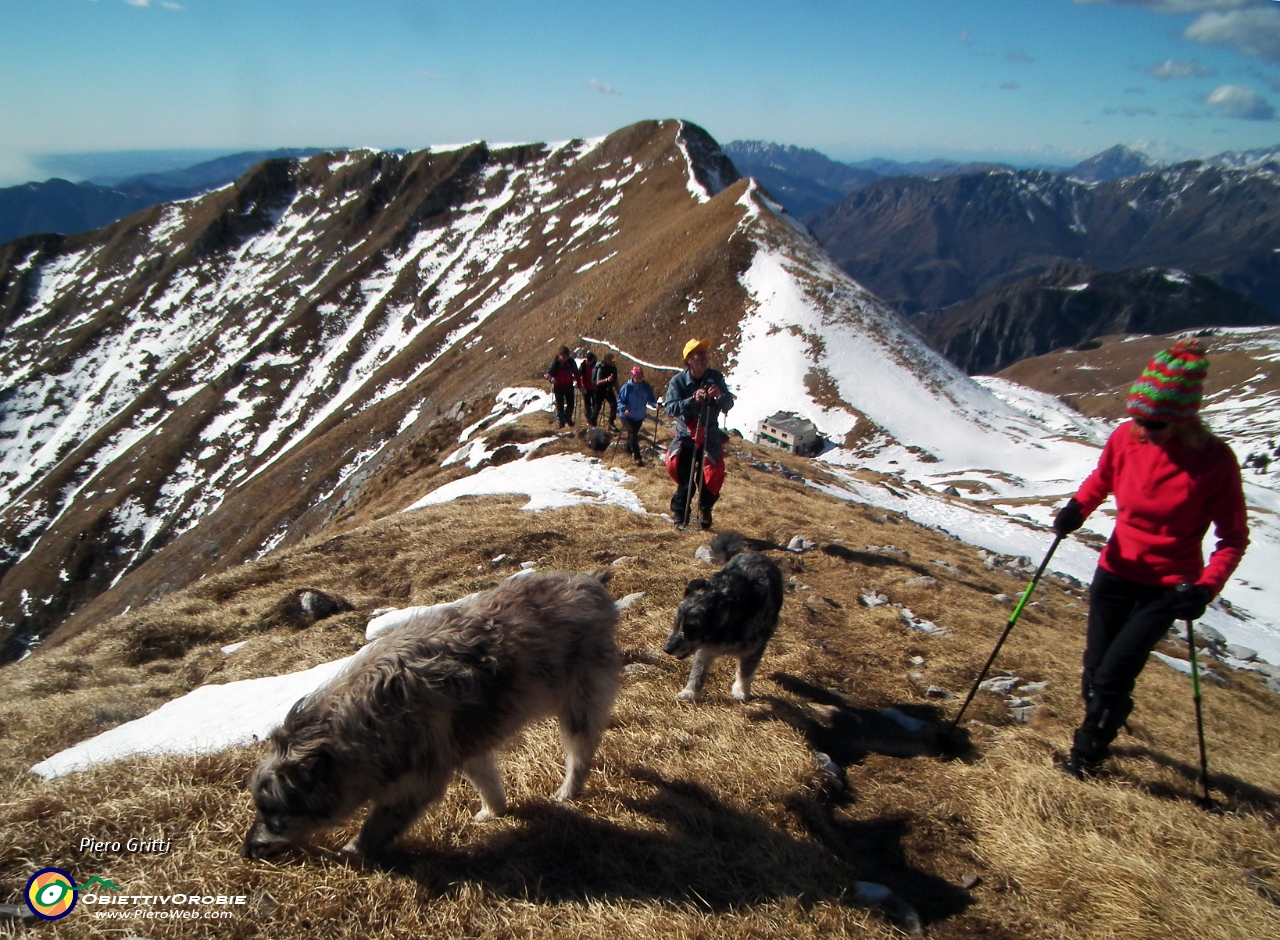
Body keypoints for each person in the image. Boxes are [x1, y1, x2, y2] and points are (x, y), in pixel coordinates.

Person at [1052, 339, 1248, 780]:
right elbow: (1102, 479)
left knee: (1111, 676)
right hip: (1115, 572)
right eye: (1137, 417)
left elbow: (1232, 537)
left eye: (1155, 424)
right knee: (1094, 672)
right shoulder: (1126, 437)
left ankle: (1086, 756)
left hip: (1165, 588)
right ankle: (1106, 715)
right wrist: (1076, 509)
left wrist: (1205, 587)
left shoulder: (1214, 462)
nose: (1143, 430)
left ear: (1184, 419)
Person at [665, 339, 735, 529]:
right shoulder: (678, 382)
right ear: (688, 360)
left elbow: (729, 403)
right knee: (686, 480)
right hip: (686, 436)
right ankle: (680, 514)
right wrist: (691, 400)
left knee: (709, 478)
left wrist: (720, 396)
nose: (704, 357)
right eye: (699, 354)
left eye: (704, 353)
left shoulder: (715, 377)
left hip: (709, 435)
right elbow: (669, 409)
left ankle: (705, 510)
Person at [617, 366, 658, 465]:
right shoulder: (626, 388)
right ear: (633, 377)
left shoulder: (646, 387)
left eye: (641, 378)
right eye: (637, 378)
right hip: (626, 415)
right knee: (632, 434)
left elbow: (651, 399)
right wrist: (624, 408)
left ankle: (627, 452)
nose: (639, 380)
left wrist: (656, 405)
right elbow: (620, 401)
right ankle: (637, 458)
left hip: (639, 416)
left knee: (632, 435)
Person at [545, 345, 577, 429]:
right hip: (558, 387)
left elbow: (576, 372)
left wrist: (579, 381)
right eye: (563, 356)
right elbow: (547, 374)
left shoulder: (571, 362)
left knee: (571, 404)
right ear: (559, 355)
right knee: (560, 405)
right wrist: (551, 379)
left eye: (566, 356)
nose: (565, 358)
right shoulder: (555, 363)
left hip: (569, 386)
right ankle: (561, 423)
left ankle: (568, 419)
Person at [594, 353, 619, 428]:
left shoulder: (614, 368)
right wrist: (607, 380)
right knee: (597, 406)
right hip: (600, 389)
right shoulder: (601, 368)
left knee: (614, 404)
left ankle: (611, 423)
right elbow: (598, 382)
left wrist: (618, 391)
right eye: (611, 359)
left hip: (609, 389)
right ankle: (592, 421)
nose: (613, 361)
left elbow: (615, 381)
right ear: (607, 360)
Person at [579, 351, 600, 426]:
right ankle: (589, 419)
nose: (588, 362)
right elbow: (579, 375)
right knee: (587, 405)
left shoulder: (596, 366)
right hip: (585, 387)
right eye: (587, 360)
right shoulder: (583, 366)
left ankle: (593, 420)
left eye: (589, 361)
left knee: (595, 404)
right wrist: (580, 385)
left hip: (594, 388)